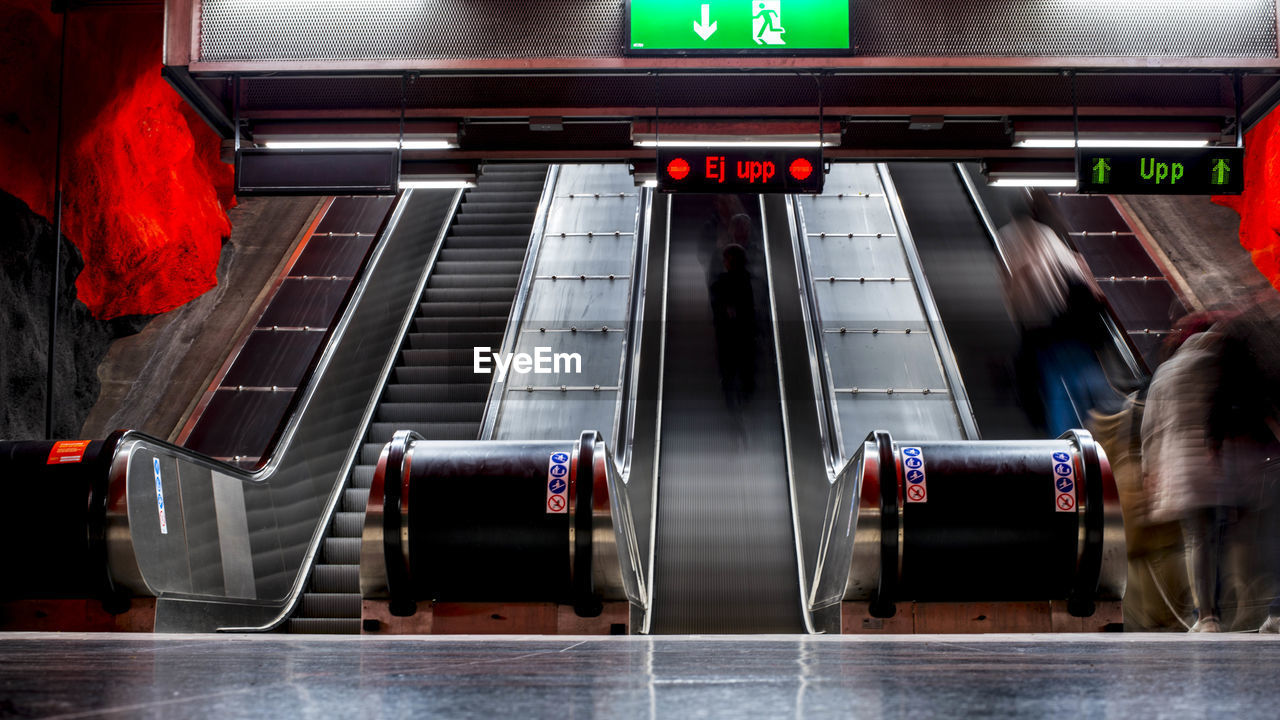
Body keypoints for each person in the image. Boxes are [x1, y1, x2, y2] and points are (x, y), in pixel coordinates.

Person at [1141, 320, 1237, 631]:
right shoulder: (1213, 363)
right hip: (1214, 460)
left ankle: (1205, 615)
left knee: (1197, 540)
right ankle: (1221, 610)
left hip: (1178, 464)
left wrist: (1149, 471)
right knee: (1219, 538)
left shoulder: (1166, 373)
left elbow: (1150, 430)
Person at [999, 215, 1119, 437]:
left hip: (1043, 334)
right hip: (1075, 328)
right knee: (1092, 384)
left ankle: (1068, 449)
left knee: (1059, 392)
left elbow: (1013, 292)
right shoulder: (1047, 235)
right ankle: (1108, 440)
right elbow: (1077, 273)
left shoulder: (1010, 241)